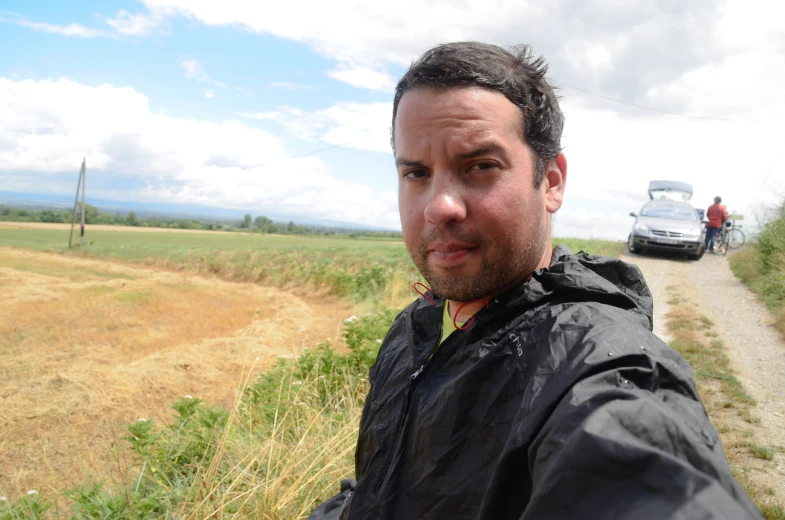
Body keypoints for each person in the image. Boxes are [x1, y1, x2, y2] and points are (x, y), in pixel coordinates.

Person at [309, 42, 761, 519]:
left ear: (551, 181)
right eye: (416, 173)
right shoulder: (417, 326)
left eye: (481, 166)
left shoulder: (599, 364)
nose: (439, 206)